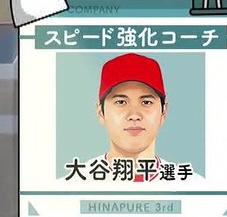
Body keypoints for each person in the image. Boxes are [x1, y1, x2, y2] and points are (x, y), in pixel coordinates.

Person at [80, 53, 202, 182]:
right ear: (100, 112)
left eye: (146, 102)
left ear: (164, 112)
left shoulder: (193, 186)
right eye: (121, 102)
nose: (134, 115)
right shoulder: (76, 185)